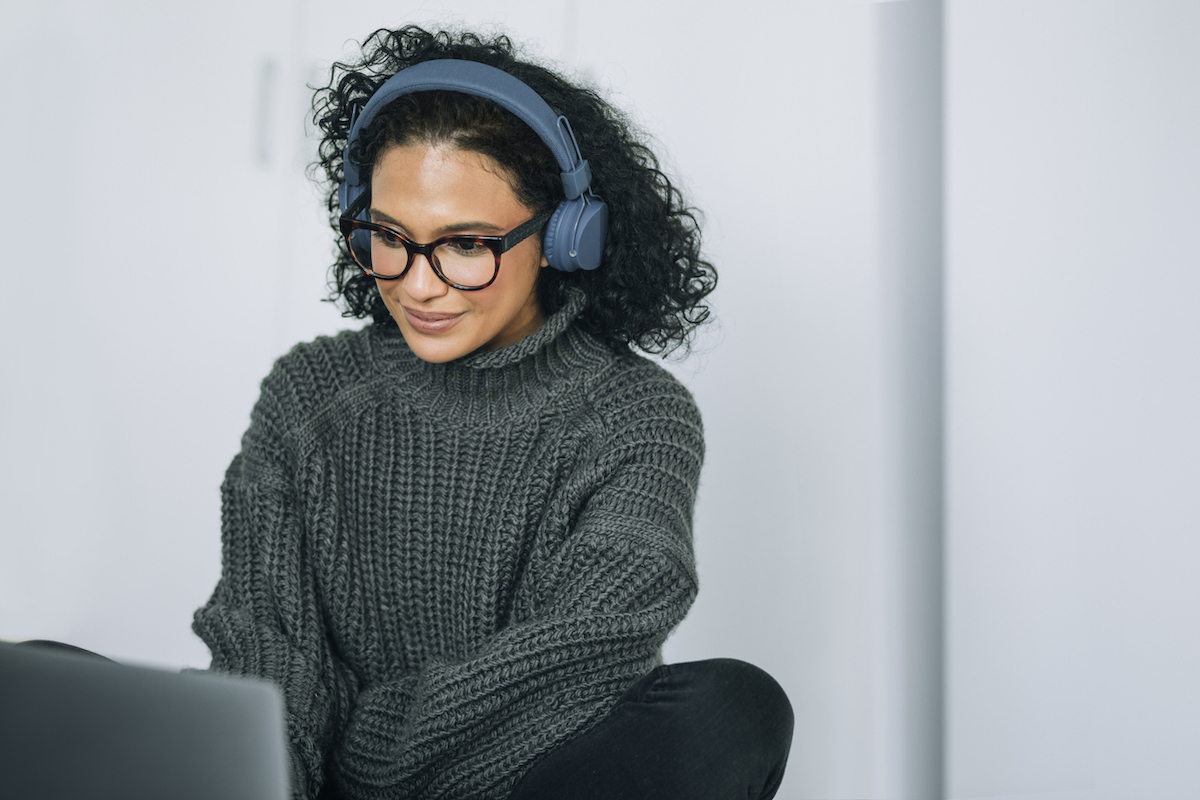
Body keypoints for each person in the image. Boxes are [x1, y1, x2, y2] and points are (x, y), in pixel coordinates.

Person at [191, 25, 793, 800]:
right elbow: (265, 639)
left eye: (465, 244)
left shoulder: (638, 415)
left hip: (517, 782)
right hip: (308, 786)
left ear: (563, 238)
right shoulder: (309, 393)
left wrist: (364, 754)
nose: (416, 284)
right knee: (42, 676)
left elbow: (577, 657)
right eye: (388, 237)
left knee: (733, 710)